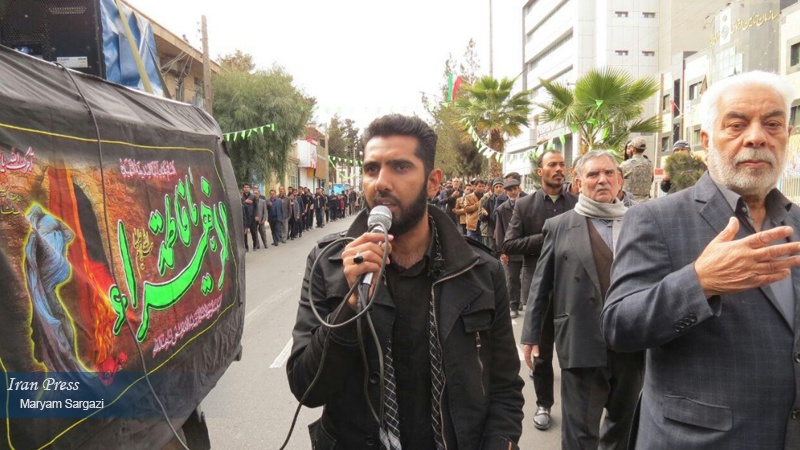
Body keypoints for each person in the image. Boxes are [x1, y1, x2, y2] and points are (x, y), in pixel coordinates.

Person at [287, 114, 524, 450]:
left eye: (400, 167)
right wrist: (351, 303)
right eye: (371, 169)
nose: (381, 182)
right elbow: (307, 388)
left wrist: (502, 442)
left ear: (432, 182)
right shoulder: (328, 264)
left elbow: (504, 384)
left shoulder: (480, 270)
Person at [601, 71, 800, 449]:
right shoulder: (656, 219)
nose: (757, 136)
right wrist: (700, 282)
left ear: (786, 135)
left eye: (773, 124)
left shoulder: (798, 222)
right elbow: (618, 327)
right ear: (706, 141)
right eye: (737, 124)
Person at [524, 150, 644, 449]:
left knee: (624, 428)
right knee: (579, 435)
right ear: (578, 183)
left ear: (619, 179)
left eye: (608, 173)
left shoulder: (641, 222)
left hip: (632, 343)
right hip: (580, 342)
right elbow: (541, 283)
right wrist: (531, 335)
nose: (602, 179)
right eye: (592, 174)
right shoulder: (561, 225)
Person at [502, 150, 577, 431]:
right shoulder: (524, 206)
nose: (559, 169)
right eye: (552, 165)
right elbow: (509, 245)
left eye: (561, 164)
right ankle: (543, 404)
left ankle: (576, 408)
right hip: (539, 290)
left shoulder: (579, 203)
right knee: (542, 354)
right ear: (540, 172)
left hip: (573, 290)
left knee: (574, 354)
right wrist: (546, 236)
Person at [494, 178, 524, 319]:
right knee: (512, 278)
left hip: (527, 246)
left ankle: (521, 300)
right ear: (506, 193)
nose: (512, 192)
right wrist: (502, 252)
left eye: (514, 189)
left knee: (526, 277)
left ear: (519, 189)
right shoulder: (501, 209)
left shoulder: (527, 204)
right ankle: (513, 305)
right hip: (510, 249)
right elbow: (499, 231)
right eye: (509, 190)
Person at [619, 138, 654, 202]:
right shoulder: (650, 164)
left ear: (633, 149)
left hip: (629, 202)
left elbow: (617, 180)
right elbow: (651, 180)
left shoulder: (626, 164)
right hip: (645, 201)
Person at [241, 184, 255, 252]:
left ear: (250, 188)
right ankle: (246, 247)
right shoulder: (241, 197)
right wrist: (245, 201)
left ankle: (255, 245)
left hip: (252, 216)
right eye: (245, 187)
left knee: (254, 232)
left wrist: (256, 216)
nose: (246, 188)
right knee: (244, 233)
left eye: (247, 187)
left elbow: (256, 206)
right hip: (244, 216)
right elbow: (240, 204)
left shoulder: (253, 196)